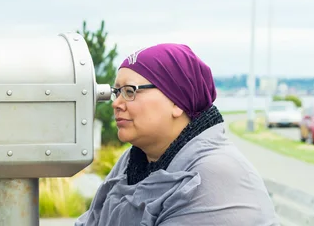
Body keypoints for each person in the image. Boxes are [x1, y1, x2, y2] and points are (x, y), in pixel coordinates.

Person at [75, 43, 278, 226]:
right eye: (116, 92)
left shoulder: (211, 175)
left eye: (130, 91)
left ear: (177, 102)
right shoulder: (133, 161)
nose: (116, 103)